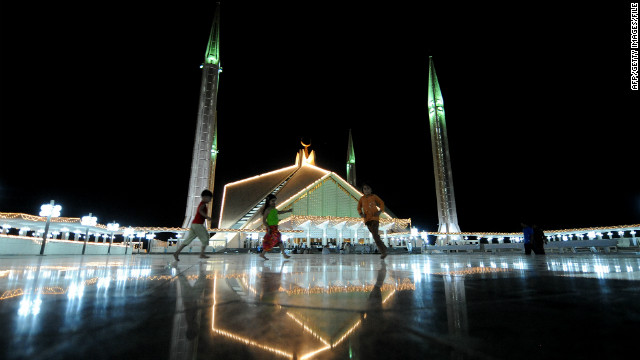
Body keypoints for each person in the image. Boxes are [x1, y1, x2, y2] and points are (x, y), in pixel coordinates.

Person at [174, 190, 214, 261]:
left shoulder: (202, 204)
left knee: (188, 240)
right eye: (209, 198)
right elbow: (200, 211)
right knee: (205, 238)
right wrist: (207, 217)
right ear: (205, 197)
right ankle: (202, 254)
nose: (210, 200)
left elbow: (200, 211)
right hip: (198, 224)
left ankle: (177, 252)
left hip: (194, 224)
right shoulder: (203, 204)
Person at [357, 183, 388, 259]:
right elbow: (358, 207)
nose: (366, 190)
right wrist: (361, 214)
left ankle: (383, 252)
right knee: (375, 235)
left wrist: (380, 211)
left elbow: (381, 202)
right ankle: (384, 247)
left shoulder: (374, 197)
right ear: (363, 190)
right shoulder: (362, 199)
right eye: (364, 189)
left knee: (375, 235)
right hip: (367, 220)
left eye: (368, 188)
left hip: (374, 218)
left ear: (371, 190)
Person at [260, 194, 293, 260]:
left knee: (275, 241)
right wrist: (268, 228)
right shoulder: (267, 210)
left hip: (275, 227)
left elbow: (279, 212)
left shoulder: (274, 209)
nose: (274, 202)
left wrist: (288, 211)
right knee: (276, 240)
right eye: (272, 201)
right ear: (268, 201)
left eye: (274, 201)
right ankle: (284, 254)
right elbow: (264, 220)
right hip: (271, 228)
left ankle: (263, 254)